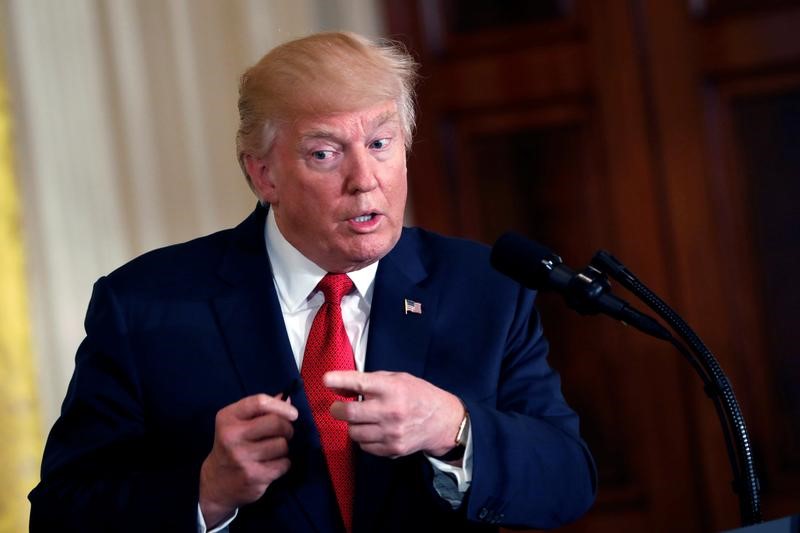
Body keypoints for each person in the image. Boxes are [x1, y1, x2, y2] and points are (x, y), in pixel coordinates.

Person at [29, 31, 596, 532]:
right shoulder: (146, 305)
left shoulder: (486, 287)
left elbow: (568, 480)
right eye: (325, 153)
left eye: (380, 143)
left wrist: (455, 427)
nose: (364, 180)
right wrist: (207, 491)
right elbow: (59, 513)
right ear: (263, 173)